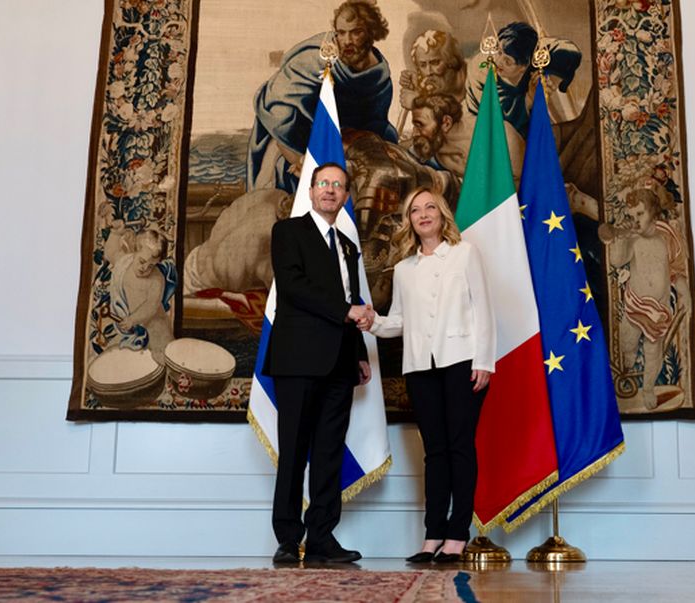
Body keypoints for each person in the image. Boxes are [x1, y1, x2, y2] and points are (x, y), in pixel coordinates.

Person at [361, 188, 495, 563]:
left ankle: (458, 534)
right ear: (409, 221)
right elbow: (400, 321)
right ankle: (433, 534)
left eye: (429, 207)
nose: (423, 214)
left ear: (442, 214)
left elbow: (483, 309)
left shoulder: (466, 254)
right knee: (434, 451)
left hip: (463, 362)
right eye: (415, 210)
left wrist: (484, 360)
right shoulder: (405, 270)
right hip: (420, 367)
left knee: (459, 446)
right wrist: (373, 323)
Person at [263, 162, 373, 564]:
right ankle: (288, 539)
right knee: (293, 451)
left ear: (345, 196)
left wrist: (359, 353)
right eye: (323, 183)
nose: (330, 190)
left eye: (338, 185)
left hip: (341, 362)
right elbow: (294, 288)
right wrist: (346, 312)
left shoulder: (348, 245)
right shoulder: (287, 232)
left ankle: (322, 538)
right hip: (297, 360)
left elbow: (352, 298)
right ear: (310, 191)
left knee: (329, 453)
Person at [247, 0, 397, 193]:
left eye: (356, 32)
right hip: (291, 144)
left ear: (372, 32)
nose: (347, 41)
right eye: (341, 32)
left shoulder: (379, 78)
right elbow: (279, 116)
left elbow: (375, 125)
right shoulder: (314, 60)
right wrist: (305, 162)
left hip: (345, 150)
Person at [598, 183, 689, 410]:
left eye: (640, 214)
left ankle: (648, 388)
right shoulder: (632, 238)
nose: (636, 220)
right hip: (635, 304)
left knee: (653, 349)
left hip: (658, 308)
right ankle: (628, 359)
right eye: (631, 216)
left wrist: (685, 294)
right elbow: (617, 261)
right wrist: (621, 239)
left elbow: (677, 271)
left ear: (654, 212)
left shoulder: (667, 237)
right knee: (627, 339)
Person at [103, 221, 175, 364]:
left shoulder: (157, 279)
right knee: (118, 359)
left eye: (151, 265)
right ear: (135, 251)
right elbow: (110, 252)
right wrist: (116, 233)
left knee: (161, 359)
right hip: (129, 325)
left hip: (154, 325)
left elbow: (151, 306)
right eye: (142, 261)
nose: (145, 268)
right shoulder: (124, 262)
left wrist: (133, 319)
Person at [399, 29, 466, 112]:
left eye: (435, 63)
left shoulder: (472, 79)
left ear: (451, 61)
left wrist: (417, 102)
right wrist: (415, 85)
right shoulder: (434, 84)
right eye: (423, 65)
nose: (428, 72)